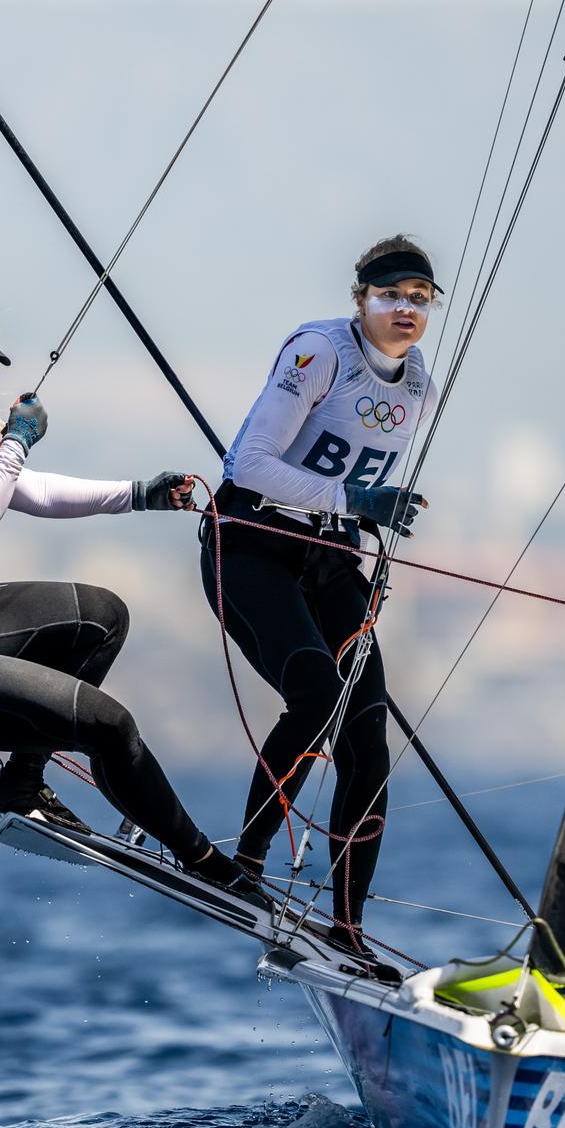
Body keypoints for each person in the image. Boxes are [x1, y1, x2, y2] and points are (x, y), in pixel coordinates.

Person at [0, 290, 263, 903]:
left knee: (101, 617)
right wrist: (15, 442)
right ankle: (207, 865)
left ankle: (23, 780)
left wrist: (138, 493)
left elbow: (28, 490)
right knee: (110, 726)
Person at [200, 236, 440, 978]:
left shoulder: (421, 385)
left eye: (420, 299)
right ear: (359, 299)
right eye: (390, 295)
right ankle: (246, 864)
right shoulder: (319, 353)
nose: (405, 310)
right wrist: (358, 498)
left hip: (332, 559)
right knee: (314, 693)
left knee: (367, 731)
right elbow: (252, 464)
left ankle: (346, 927)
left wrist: (369, 512)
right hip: (249, 542)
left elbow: (356, 484)